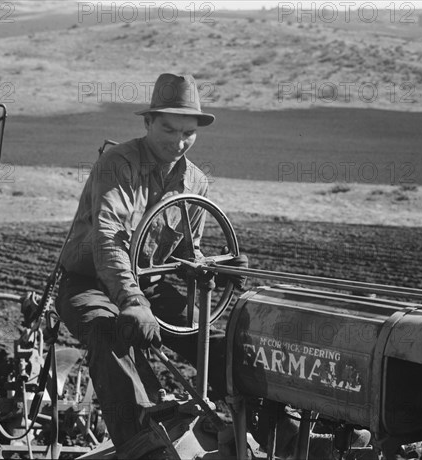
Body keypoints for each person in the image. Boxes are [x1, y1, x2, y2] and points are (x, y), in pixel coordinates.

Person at [56, 73, 248, 455]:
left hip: (151, 286)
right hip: (89, 283)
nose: (179, 142)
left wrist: (213, 266)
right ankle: (143, 443)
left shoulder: (195, 181)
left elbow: (185, 253)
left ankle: (268, 424)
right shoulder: (118, 165)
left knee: (214, 342)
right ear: (148, 123)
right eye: (169, 129)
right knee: (108, 331)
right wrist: (131, 302)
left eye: (188, 132)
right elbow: (108, 240)